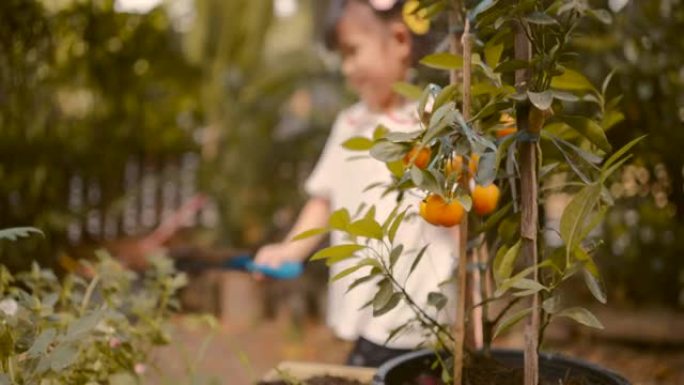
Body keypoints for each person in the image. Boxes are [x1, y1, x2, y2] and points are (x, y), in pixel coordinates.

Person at [254, 0, 459, 367]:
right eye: (341, 57)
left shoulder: (434, 124)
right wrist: (291, 250)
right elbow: (324, 199)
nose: (347, 69)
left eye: (353, 52)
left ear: (399, 40)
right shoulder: (350, 124)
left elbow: (458, 215)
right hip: (367, 321)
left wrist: (473, 305)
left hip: (423, 319)